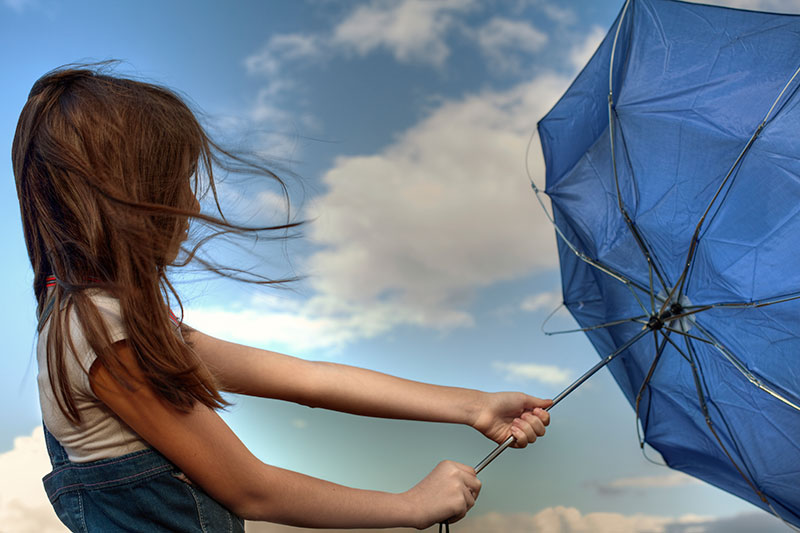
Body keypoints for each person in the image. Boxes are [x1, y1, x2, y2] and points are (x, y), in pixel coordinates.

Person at [13, 64, 552, 532]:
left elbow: (309, 380)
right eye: (178, 181)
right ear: (128, 196)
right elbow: (251, 490)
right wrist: (411, 505)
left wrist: (474, 406)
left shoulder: (111, 322)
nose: (192, 203)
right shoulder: (102, 335)